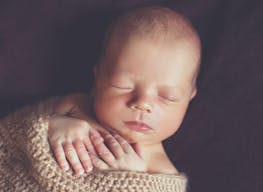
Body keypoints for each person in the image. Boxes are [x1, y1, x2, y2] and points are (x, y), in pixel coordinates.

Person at [48, 5, 201, 177]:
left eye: (167, 97)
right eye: (123, 86)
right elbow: (19, 133)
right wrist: (54, 127)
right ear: (98, 78)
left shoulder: (162, 172)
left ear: (189, 98)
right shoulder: (75, 107)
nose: (142, 104)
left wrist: (135, 179)